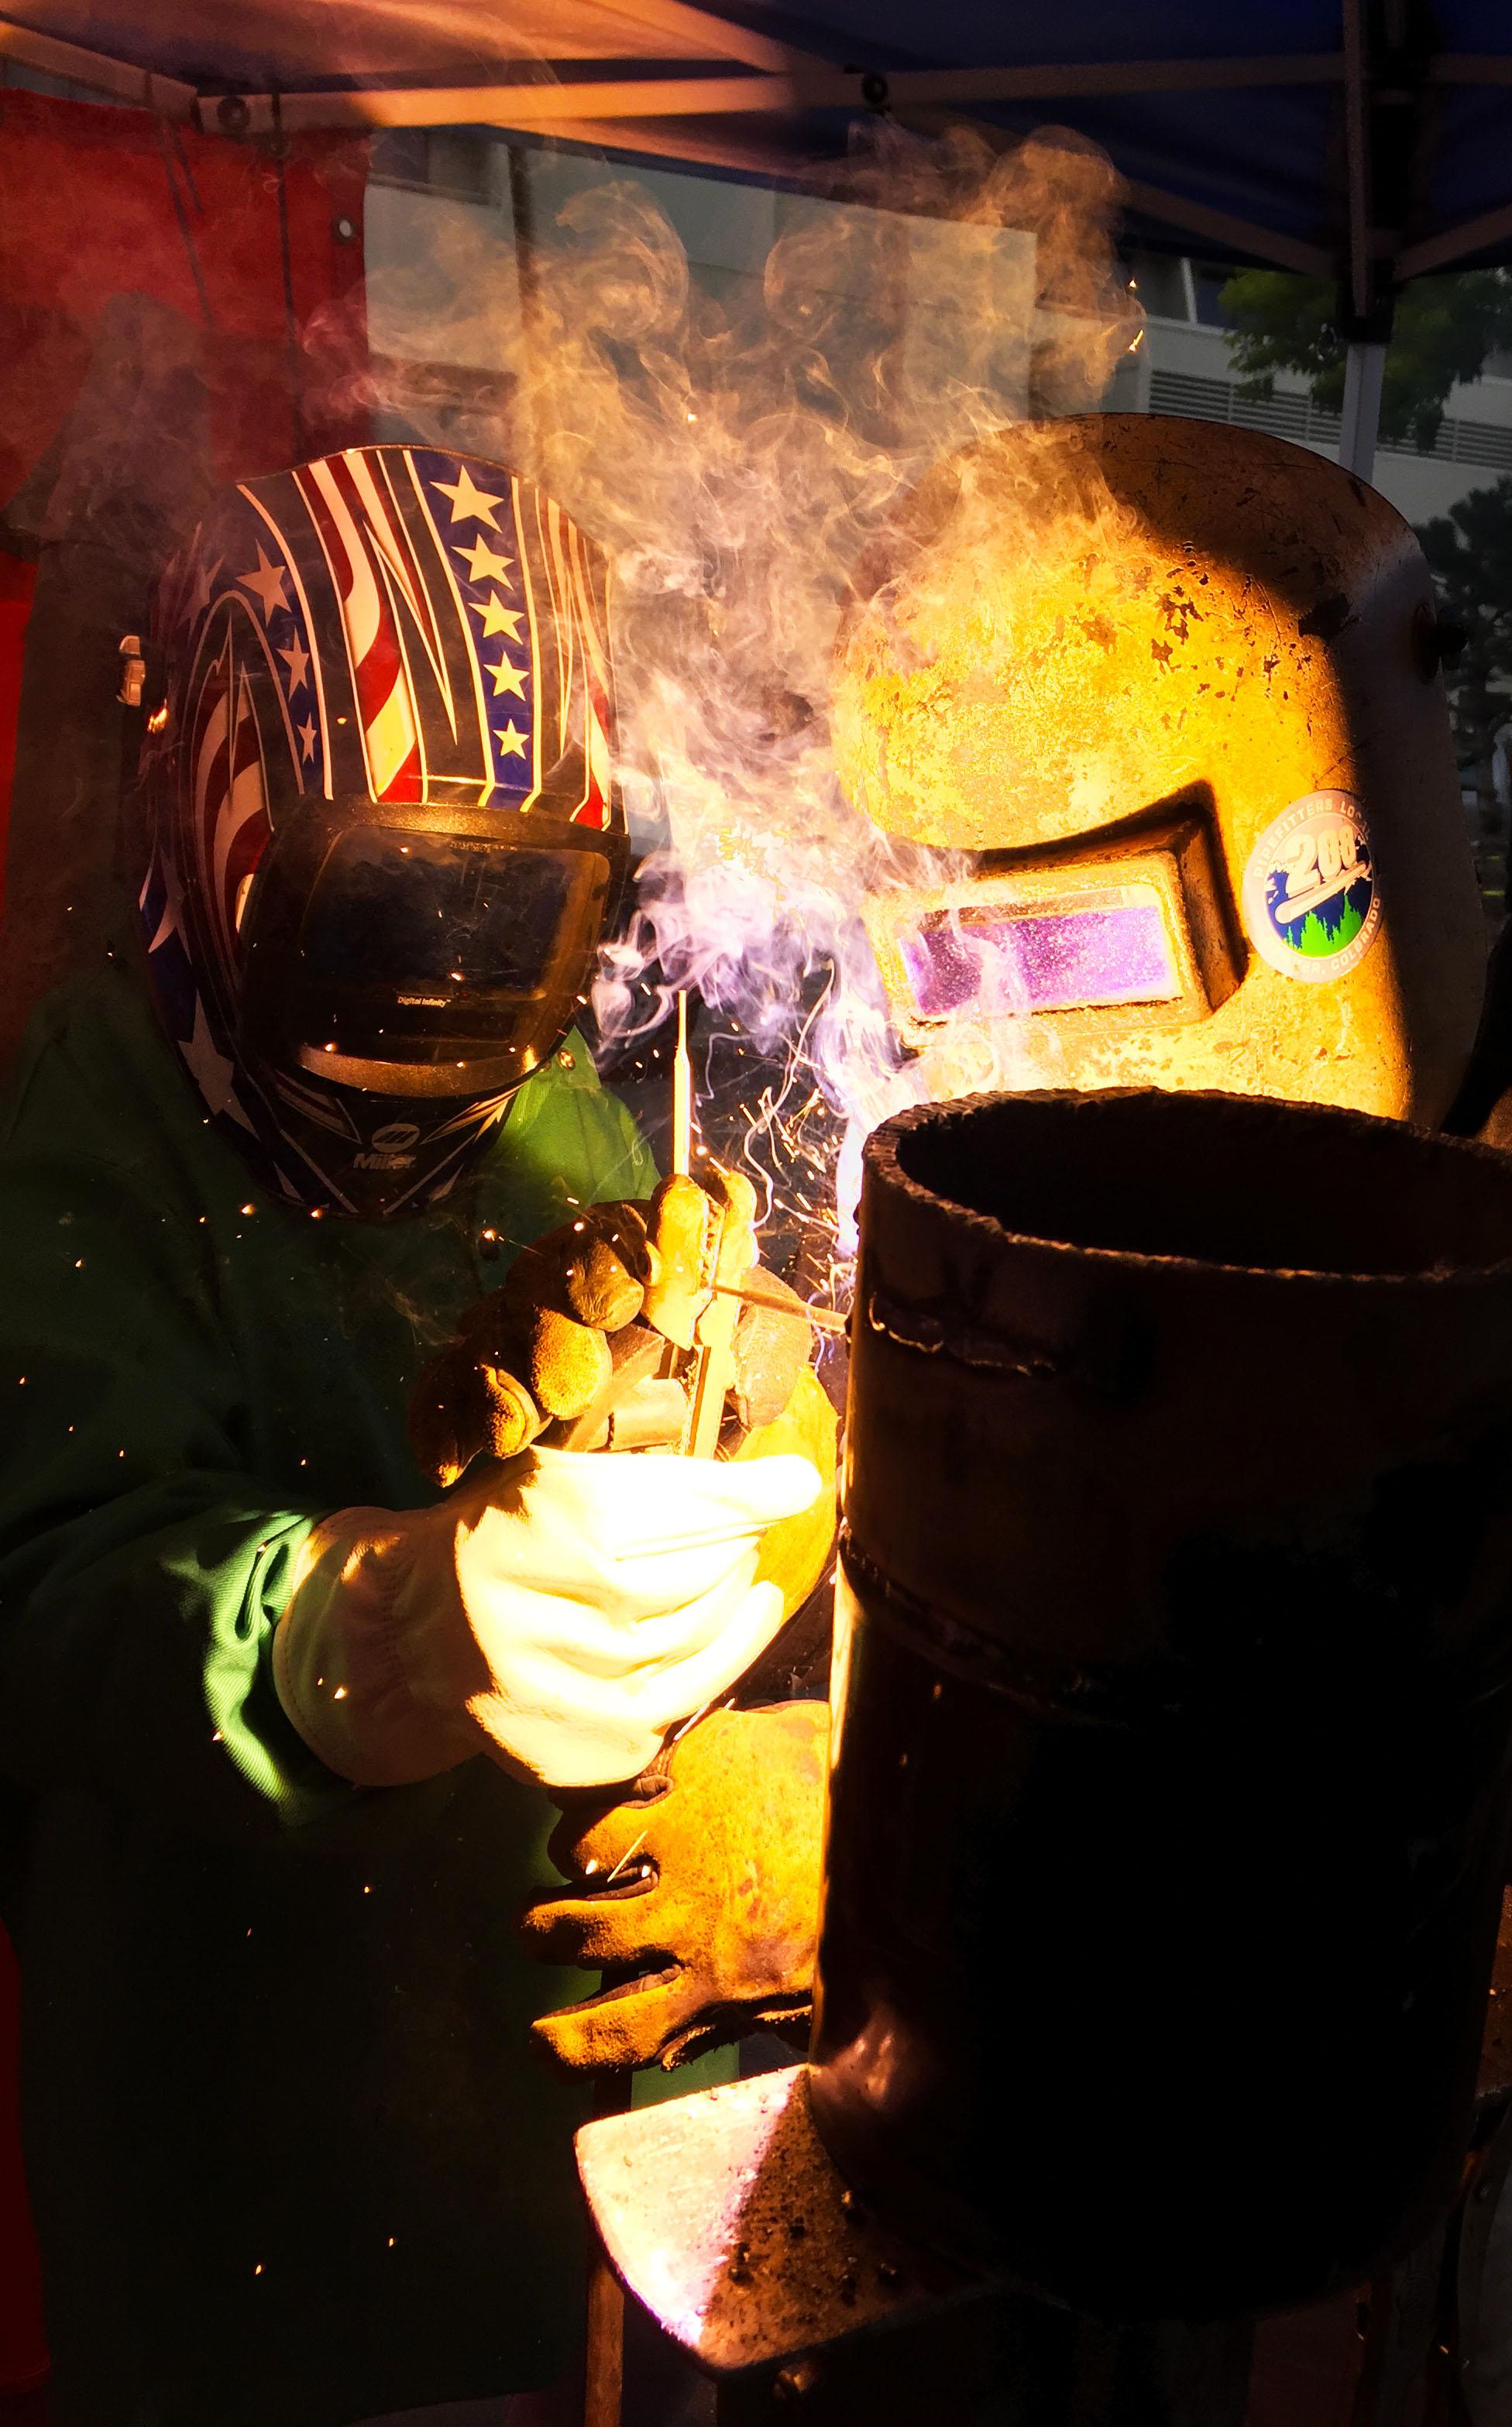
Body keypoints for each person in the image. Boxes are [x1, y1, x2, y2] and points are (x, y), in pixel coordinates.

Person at [521, 416, 1512, 2425]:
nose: (969, 1036)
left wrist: (866, 1836)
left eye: (1053, 948)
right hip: (996, 2216)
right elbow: (934, 1523)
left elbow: (1475, 1858)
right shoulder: (1029, 1238)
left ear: (1310, 880)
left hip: (1384, 2264)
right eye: (926, 955)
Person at [0, 442, 833, 2427]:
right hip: (270, 2217)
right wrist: (372, 1619)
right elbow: (52, 1593)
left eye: (507, 922)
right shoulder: (85, 1119)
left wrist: (788, 1591)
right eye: (381, 909)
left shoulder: (553, 1100)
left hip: (595, 2173)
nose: (438, 1003)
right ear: (223, 819)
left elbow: (681, 1463)